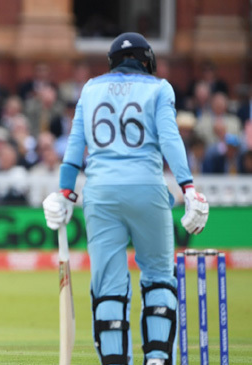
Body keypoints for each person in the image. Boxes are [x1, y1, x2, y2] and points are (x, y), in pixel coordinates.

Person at [42, 33, 210, 365]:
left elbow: (75, 145)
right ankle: (158, 359)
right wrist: (188, 187)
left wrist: (64, 192)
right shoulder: (160, 88)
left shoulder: (90, 88)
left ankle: (116, 361)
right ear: (147, 60)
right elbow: (169, 138)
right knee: (159, 276)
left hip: (100, 193)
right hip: (147, 189)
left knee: (108, 285)